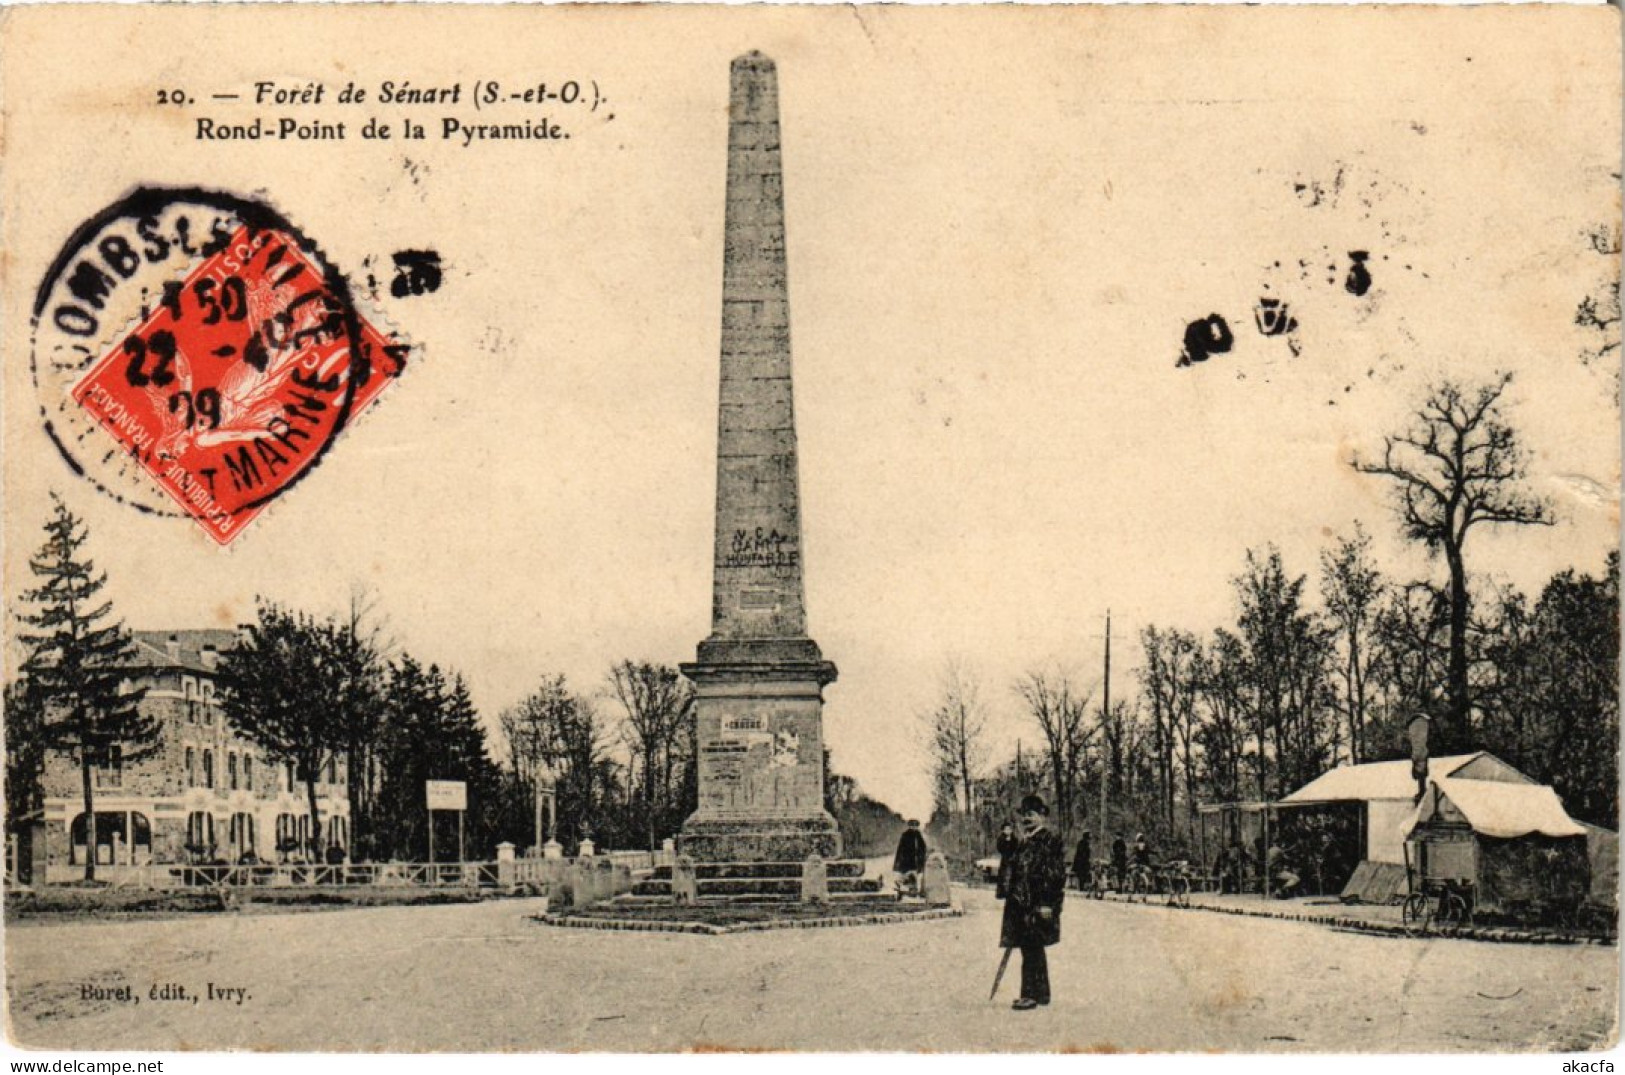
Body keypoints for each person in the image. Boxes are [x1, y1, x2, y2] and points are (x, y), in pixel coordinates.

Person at [998, 794, 1067, 1011]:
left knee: (1032, 948)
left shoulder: (1049, 840)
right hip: (1022, 904)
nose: (1027, 819)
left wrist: (1047, 903)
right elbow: (1009, 860)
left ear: (1042, 817)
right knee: (1031, 948)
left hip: (1038, 903)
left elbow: (1054, 875)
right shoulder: (1024, 841)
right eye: (1024, 816)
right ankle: (1041, 994)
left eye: (1031, 815)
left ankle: (1029, 994)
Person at [892, 819, 928, 896]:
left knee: (915, 876)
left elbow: (923, 848)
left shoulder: (918, 835)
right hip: (906, 860)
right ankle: (901, 891)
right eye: (912, 826)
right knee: (904, 876)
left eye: (915, 826)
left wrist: (922, 857)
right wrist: (897, 862)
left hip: (915, 860)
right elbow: (900, 849)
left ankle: (913, 891)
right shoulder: (905, 835)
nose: (913, 827)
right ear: (909, 826)